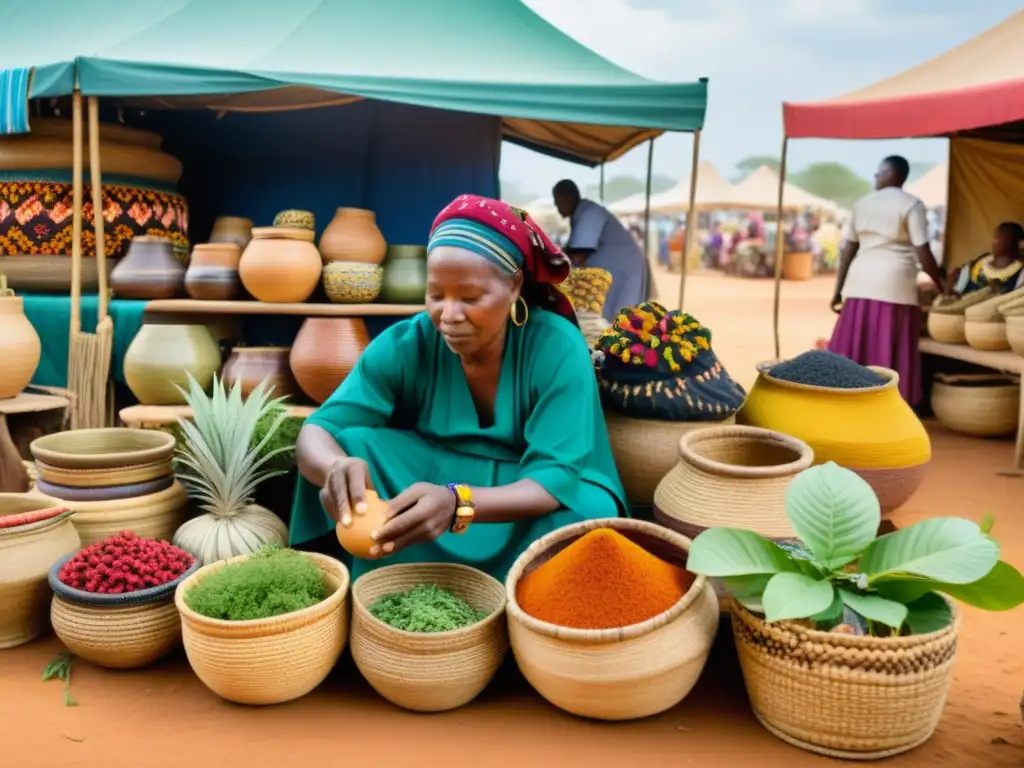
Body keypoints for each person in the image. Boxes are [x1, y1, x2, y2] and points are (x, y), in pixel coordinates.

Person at [290, 194, 627, 582]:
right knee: (353, 446)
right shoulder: (407, 342)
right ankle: (394, 582)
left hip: (528, 494)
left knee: (588, 516)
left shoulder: (557, 347)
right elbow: (319, 429)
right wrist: (336, 467)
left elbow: (552, 479)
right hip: (437, 474)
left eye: (470, 297)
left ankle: (515, 593)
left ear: (514, 286)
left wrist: (458, 502)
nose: (448, 315)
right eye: (435, 295)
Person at [828, 155, 948, 406]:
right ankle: (890, 403)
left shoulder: (863, 204)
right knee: (889, 345)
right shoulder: (912, 204)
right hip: (895, 283)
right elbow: (923, 251)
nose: (875, 177)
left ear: (893, 175)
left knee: (856, 343)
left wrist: (838, 290)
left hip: (860, 281)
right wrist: (941, 285)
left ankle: (845, 398)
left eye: (879, 172)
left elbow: (848, 249)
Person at [552, 179, 651, 321]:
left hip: (623, 271)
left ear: (567, 198)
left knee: (619, 320)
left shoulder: (590, 213)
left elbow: (578, 256)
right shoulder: (580, 214)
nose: (557, 207)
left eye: (557, 202)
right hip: (614, 271)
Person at [950, 221, 1024, 295]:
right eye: (995, 236)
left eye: (1001, 236)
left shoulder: (1020, 273)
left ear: (1019, 243)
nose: (995, 240)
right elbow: (957, 281)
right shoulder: (979, 263)